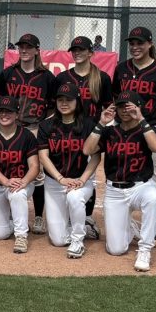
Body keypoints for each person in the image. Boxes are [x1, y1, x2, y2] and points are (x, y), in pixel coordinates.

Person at [83, 91, 156, 272]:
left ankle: (144, 250)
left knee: (154, 198)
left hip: (141, 187)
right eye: (120, 106)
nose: (124, 110)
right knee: (116, 250)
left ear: (137, 107)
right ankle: (131, 228)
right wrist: (101, 123)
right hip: (114, 191)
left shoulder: (147, 129)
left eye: (129, 106)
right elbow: (87, 150)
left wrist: (141, 119)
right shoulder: (110, 132)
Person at [112, 26, 156, 243]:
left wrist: (155, 124)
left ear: (150, 44)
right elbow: (116, 98)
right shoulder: (121, 69)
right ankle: (125, 222)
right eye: (132, 43)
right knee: (123, 173)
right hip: (124, 130)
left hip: (150, 128)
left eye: (140, 43)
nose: (135, 47)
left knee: (155, 177)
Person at [0, 32, 56, 236]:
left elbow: (52, 106)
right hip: (11, 128)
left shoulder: (46, 77)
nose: (24, 50)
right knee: (12, 167)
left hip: (34, 128)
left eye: (29, 47)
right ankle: (13, 213)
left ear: (37, 50)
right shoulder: (8, 73)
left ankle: (38, 216)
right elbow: (0, 100)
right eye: (21, 47)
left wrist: (39, 123)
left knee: (37, 174)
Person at [56, 35, 112, 238]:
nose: (77, 52)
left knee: (89, 176)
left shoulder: (102, 78)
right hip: (68, 131)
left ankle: (86, 216)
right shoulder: (63, 78)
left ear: (91, 52)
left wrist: (102, 128)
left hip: (91, 133)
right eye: (74, 50)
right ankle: (68, 212)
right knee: (67, 168)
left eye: (81, 49)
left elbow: (108, 106)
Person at [37, 81, 101, 258]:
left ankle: (78, 240)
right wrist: (60, 179)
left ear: (77, 101)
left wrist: (83, 179)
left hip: (81, 181)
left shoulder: (88, 125)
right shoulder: (46, 126)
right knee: (57, 240)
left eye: (69, 100)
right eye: (60, 100)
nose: (63, 103)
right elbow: (43, 157)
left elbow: (96, 156)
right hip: (54, 182)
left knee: (74, 197)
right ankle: (85, 225)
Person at [0, 96, 40, 254]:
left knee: (17, 194)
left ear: (17, 114)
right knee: (0, 234)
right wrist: (6, 181)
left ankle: (21, 236)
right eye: (1, 111)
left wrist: (23, 182)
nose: (4, 115)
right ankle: (15, 220)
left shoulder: (27, 135)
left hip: (21, 183)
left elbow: (34, 166)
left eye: (9, 112)